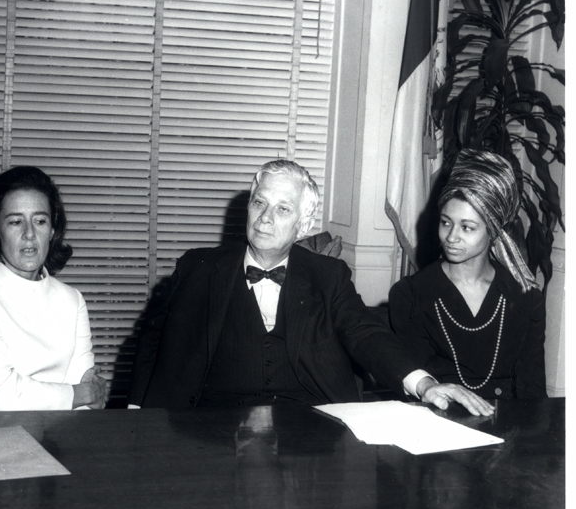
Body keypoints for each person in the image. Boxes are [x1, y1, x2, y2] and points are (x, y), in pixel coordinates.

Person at [129, 159, 493, 415]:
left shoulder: (328, 275)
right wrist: (134, 409)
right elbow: (153, 340)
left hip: (308, 430)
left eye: (283, 209)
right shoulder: (197, 268)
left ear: (302, 226)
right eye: (260, 203)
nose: (266, 218)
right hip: (211, 427)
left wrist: (425, 385)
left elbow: (366, 334)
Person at [0, 166, 108, 411]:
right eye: (15, 221)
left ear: (52, 230)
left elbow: (90, 404)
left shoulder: (71, 300)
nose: (29, 234)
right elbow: (5, 398)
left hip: (59, 438)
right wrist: (78, 394)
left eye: (40, 221)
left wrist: (81, 396)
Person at [389, 149, 546, 399]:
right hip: (437, 420)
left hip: (508, 424)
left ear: (493, 230)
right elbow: (412, 382)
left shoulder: (525, 298)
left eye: (467, 227)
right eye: (445, 222)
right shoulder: (411, 296)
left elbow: (534, 391)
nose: (451, 237)